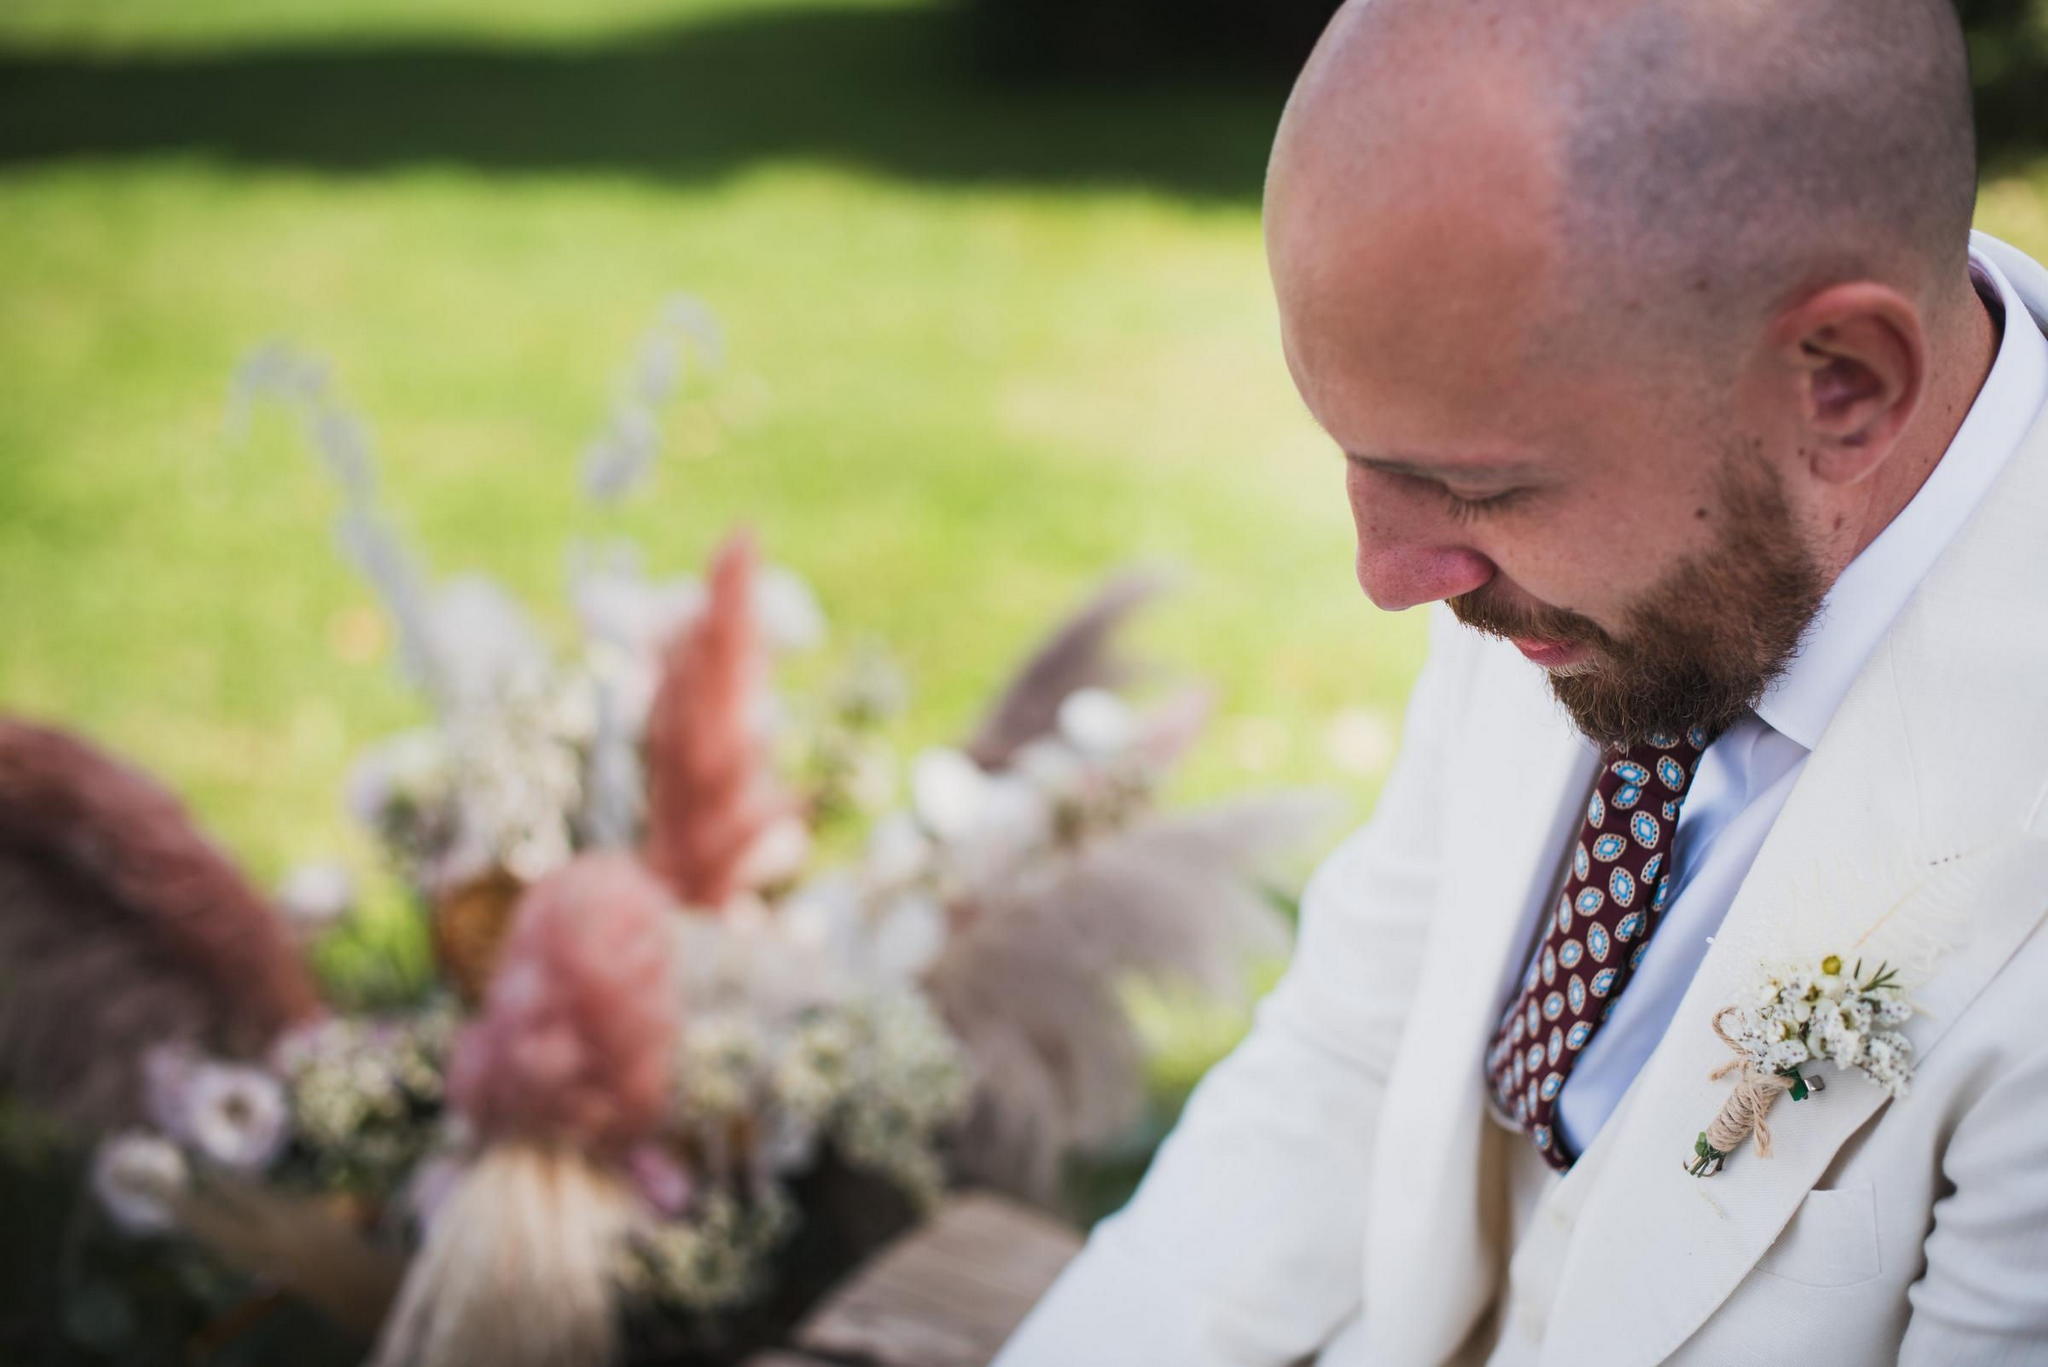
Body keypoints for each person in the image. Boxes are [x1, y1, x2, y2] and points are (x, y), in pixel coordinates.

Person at [992, 0, 2048, 1362]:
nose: (1390, 575)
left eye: (1476, 487)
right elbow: (1350, 1058)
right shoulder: (1579, 547)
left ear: (1841, 384)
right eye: (1362, 457)